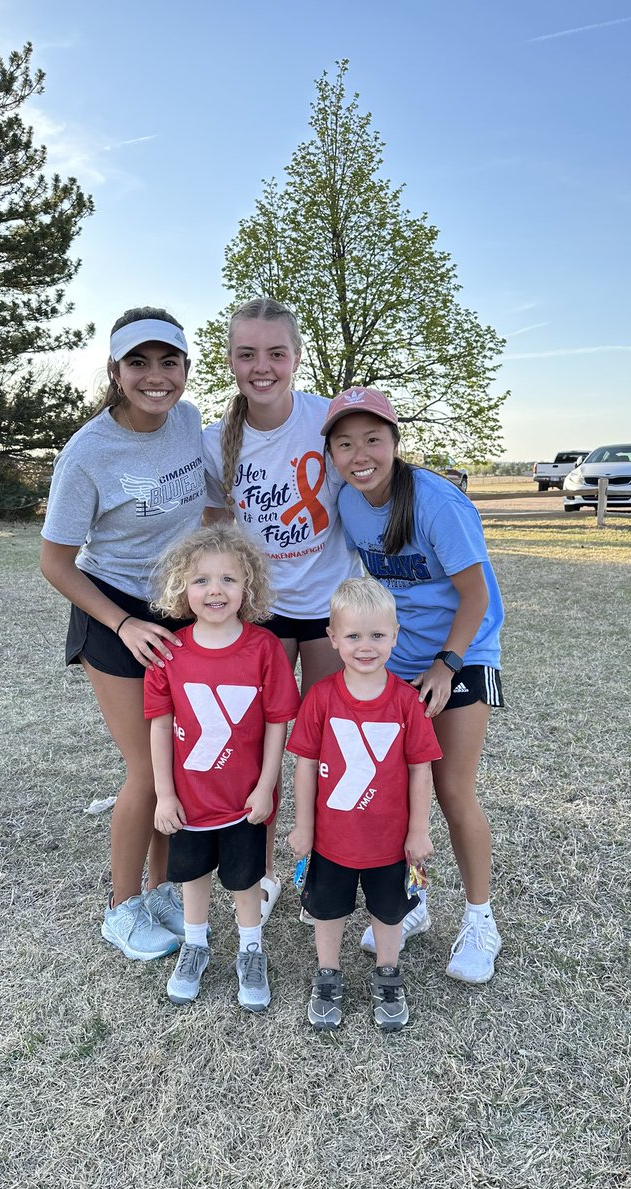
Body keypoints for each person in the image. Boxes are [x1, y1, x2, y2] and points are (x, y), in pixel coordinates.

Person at [321, 386, 506, 985]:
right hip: (399, 658)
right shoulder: (349, 502)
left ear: (395, 442)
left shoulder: (436, 501)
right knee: (397, 790)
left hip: (462, 653)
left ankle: (480, 920)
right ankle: (413, 899)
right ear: (332, 453)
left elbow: (476, 597)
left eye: (372, 440)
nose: (359, 455)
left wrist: (446, 664)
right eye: (344, 444)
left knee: (451, 788)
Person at [40, 307, 206, 962]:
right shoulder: (88, 453)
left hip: (179, 610)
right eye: (139, 362)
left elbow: (208, 507)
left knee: (181, 765)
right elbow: (55, 562)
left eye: (169, 362)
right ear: (115, 371)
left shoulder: (189, 422)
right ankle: (121, 907)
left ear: (186, 369)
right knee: (147, 769)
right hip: (114, 611)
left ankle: (161, 890)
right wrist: (123, 622)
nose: (155, 376)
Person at [202, 297, 361, 922]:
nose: (261, 366)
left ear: (296, 356)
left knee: (324, 744)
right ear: (230, 360)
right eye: (247, 354)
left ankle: (321, 864)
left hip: (325, 610)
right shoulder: (216, 442)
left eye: (275, 353)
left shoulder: (328, 420)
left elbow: (373, 482)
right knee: (253, 748)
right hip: (260, 614)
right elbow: (215, 530)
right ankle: (261, 874)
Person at [146, 526, 300, 1010]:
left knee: (244, 879)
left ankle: (251, 949)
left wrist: (266, 785)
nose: (215, 590)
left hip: (243, 798)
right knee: (192, 874)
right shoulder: (170, 651)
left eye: (228, 579)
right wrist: (165, 794)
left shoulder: (264, 648)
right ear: (182, 588)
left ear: (248, 586)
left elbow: (277, 722)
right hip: (190, 798)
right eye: (201, 580)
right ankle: (195, 945)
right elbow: (159, 725)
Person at [286, 577, 441, 1031]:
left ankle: (388, 975)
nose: (365, 646)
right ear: (333, 638)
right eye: (353, 635)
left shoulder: (407, 703)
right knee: (326, 909)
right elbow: (305, 766)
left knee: (388, 912)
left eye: (377, 635)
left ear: (395, 636)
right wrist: (303, 825)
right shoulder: (321, 697)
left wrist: (418, 830)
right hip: (331, 839)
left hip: (390, 842)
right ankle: (327, 974)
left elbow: (420, 770)